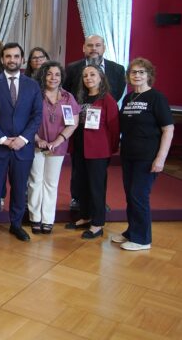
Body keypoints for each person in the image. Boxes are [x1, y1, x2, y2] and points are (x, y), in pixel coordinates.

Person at [0, 43, 42, 242]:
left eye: (16, 56)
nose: (12, 60)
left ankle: (16, 225)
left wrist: (22, 139)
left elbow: (37, 115)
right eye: (8, 56)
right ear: (2, 59)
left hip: (23, 147)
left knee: (19, 188)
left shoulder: (32, 85)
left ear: (22, 59)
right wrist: (4, 139)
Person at [115, 58, 174, 251]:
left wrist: (161, 158)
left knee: (139, 195)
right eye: (133, 72)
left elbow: (168, 129)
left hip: (147, 157)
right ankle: (132, 231)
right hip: (129, 155)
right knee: (131, 196)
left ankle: (142, 239)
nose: (137, 75)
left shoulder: (157, 98)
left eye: (141, 72)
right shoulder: (129, 98)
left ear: (149, 75)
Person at [65, 65, 120, 239]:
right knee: (82, 185)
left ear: (101, 77)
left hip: (98, 151)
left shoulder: (107, 100)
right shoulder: (80, 98)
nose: (88, 78)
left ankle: (97, 223)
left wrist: (110, 149)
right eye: (85, 75)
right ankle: (85, 216)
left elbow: (114, 128)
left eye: (92, 74)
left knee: (96, 187)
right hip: (80, 148)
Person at [26, 61, 79, 234]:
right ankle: (35, 218)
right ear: (43, 75)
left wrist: (58, 141)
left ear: (61, 77)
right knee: (35, 182)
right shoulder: (35, 94)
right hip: (36, 145)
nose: (53, 78)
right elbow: (26, 119)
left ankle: (48, 219)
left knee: (51, 183)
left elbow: (72, 123)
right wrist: (37, 139)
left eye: (57, 74)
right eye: (49, 74)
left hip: (58, 146)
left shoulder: (67, 97)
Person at [63, 34, 126, 102]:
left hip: (107, 111)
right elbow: (66, 92)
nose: (94, 48)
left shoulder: (118, 69)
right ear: (84, 48)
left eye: (98, 45)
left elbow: (117, 95)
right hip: (78, 110)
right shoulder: (71, 69)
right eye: (90, 45)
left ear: (104, 48)